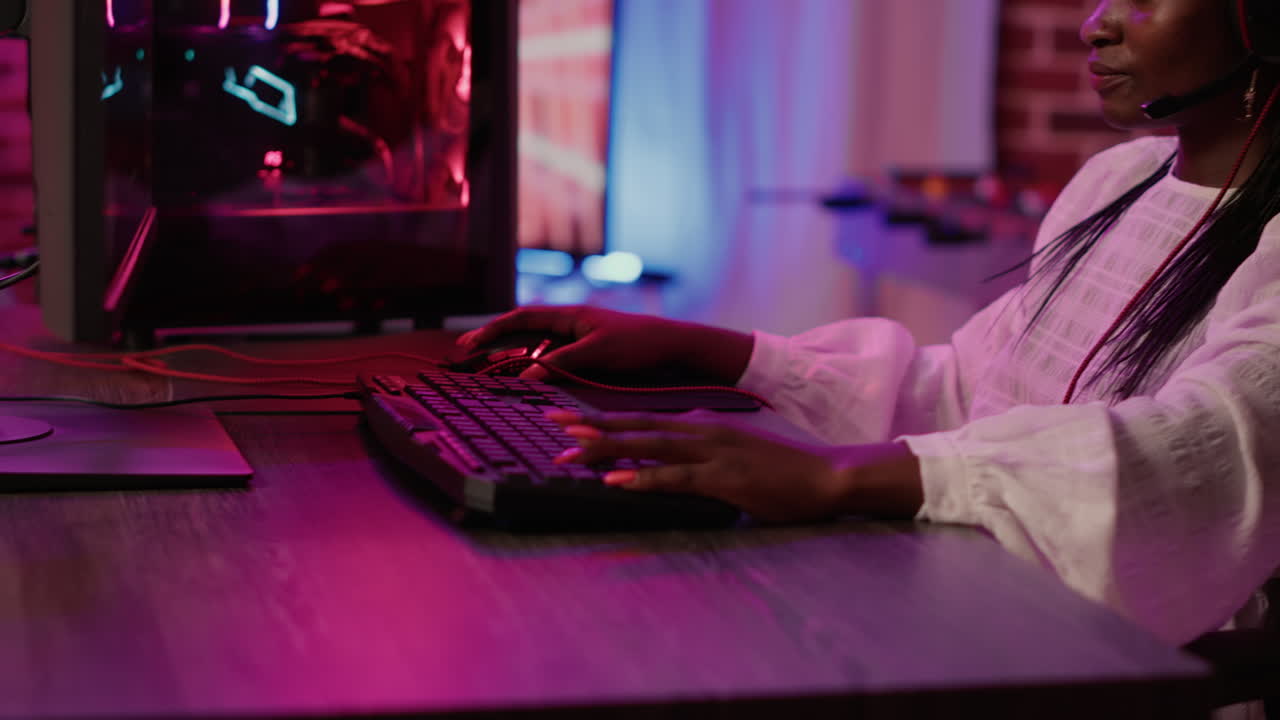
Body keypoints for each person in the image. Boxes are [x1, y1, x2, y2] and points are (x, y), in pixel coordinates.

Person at [459, 0, 1280, 651]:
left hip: (1113, 665)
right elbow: (967, 389)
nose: (1094, 23)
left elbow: (1200, 457)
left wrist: (836, 478)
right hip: (972, 607)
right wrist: (705, 349)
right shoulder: (1117, 179)